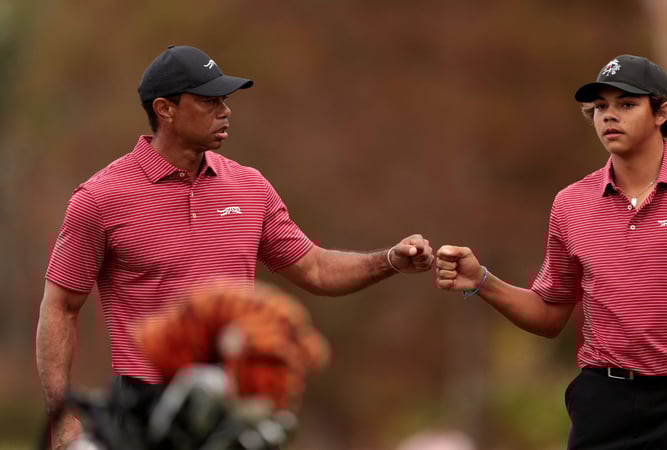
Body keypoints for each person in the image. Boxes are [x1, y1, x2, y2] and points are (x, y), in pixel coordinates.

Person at [36, 45, 434, 450]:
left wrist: (390, 261)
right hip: (144, 409)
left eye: (224, 100)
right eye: (209, 101)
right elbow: (60, 307)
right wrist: (60, 416)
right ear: (165, 109)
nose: (225, 111)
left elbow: (315, 269)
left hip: (236, 408)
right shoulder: (100, 197)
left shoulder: (250, 186)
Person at [435, 54, 667, 449]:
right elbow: (550, 313)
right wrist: (482, 281)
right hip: (601, 399)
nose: (609, 116)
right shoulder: (571, 204)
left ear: (661, 112)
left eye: (626, 104)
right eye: (600, 106)